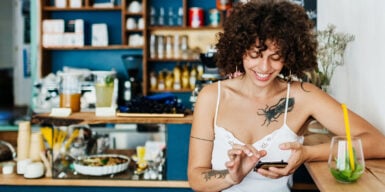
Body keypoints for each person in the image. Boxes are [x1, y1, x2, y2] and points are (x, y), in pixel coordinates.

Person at [187, 0, 385, 191]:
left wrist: (307, 153)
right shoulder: (212, 97)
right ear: (239, 50)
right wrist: (231, 177)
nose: (264, 67)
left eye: (276, 57)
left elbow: (378, 143)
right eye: (255, 55)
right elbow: (197, 178)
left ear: (289, 56)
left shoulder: (305, 96)